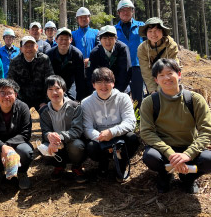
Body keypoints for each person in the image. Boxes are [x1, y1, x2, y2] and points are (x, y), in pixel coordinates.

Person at [140, 59, 211, 194]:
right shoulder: (150, 102)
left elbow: (206, 131)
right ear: (156, 80)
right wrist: (170, 153)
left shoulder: (195, 99)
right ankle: (165, 175)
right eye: (161, 75)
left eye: (170, 73)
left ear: (179, 74)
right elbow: (146, 132)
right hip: (164, 150)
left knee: (209, 160)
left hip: (189, 148)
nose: (166, 78)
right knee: (150, 157)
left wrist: (188, 154)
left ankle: (188, 178)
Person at [82, 67, 139, 182]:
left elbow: (130, 122)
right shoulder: (86, 103)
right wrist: (102, 138)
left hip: (119, 136)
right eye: (99, 82)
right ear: (93, 84)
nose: (104, 86)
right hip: (99, 138)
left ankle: (122, 164)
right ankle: (103, 163)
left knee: (133, 139)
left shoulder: (123, 98)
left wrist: (112, 133)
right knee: (91, 147)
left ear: (113, 83)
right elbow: (87, 128)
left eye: (107, 81)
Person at [0, 79, 33, 189]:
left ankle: (22, 173)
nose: (6, 96)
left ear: (15, 94)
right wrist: (2, 147)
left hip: (19, 143)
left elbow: (26, 134)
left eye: (9, 93)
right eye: (2, 93)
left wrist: (8, 147)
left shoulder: (23, 108)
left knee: (26, 151)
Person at [39, 75, 87, 183]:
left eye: (57, 89)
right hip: (55, 144)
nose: (54, 93)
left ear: (64, 90)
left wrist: (58, 137)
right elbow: (45, 131)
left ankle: (76, 167)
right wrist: (49, 136)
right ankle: (59, 166)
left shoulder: (75, 106)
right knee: (43, 148)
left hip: (71, 141)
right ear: (46, 92)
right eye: (50, 89)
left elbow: (77, 130)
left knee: (77, 146)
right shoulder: (44, 111)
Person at [8, 36, 54, 111]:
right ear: (21, 49)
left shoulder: (44, 59)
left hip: (41, 97)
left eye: (32, 46)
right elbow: (11, 83)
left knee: (48, 114)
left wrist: (46, 101)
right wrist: (16, 100)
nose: (29, 49)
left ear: (37, 47)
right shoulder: (15, 62)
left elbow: (50, 81)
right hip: (22, 98)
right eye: (26, 46)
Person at [115, 0, 145, 109]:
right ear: (118, 13)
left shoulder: (141, 26)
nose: (125, 12)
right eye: (122, 10)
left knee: (139, 97)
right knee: (122, 96)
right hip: (122, 68)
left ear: (133, 11)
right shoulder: (114, 30)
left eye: (128, 10)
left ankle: (140, 123)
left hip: (138, 66)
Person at [137, 17, 178, 94]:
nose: (153, 34)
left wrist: (160, 90)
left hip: (169, 77)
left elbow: (172, 69)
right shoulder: (142, 49)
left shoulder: (171, 46)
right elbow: (146, 72)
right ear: (146, 33)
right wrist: (153, 91)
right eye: (150, 31)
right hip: (153, 77)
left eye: (156, 30)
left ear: (162, 31)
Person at [87, 25, 131, 94]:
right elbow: (91, 74)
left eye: (111, 38)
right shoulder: (95, 53)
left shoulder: (123, 49)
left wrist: (116, 92)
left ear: (116, 38)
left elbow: (126, 72)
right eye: (104, 38)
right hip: (101, 89)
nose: (108, 41)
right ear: (100, 40)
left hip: (121, 88)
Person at [46, 28, 86, 101]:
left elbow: (80, 78)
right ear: (56, 40)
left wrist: (80, 99)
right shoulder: (50, 54)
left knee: (71, 103)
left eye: (66, 39)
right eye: (61, 39)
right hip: (54, 83)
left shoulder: (77, 54)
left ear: (71, 40)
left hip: (70, 84)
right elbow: (47, 76)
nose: (64, 42)